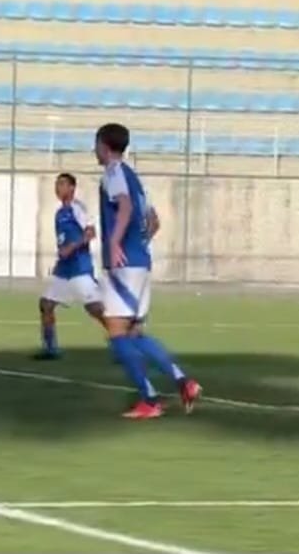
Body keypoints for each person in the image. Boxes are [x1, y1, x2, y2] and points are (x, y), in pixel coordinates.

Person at [95, 123, 201, 419]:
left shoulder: (114, 172)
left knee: (117, 333)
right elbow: (153, 221)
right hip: (140, 262)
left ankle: (150, 400)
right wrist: (138, 244)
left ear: (103, 144)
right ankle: (183, 382)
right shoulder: (135, 178)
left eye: (96, 144)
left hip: (124, 265)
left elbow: (125, 206)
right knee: (134, 332)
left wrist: (116, 242)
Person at [35, 173, 103, 360]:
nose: (58, 188)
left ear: (72, 188)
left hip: (79, 266)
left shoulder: (77, 208)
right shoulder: (60, 212)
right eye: (57, 184)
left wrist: (72, 247)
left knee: (95, 309)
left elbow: (90, 233)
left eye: (63, 184)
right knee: (46, 304)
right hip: (64, 268)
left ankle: (123, 338)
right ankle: (51, 348)